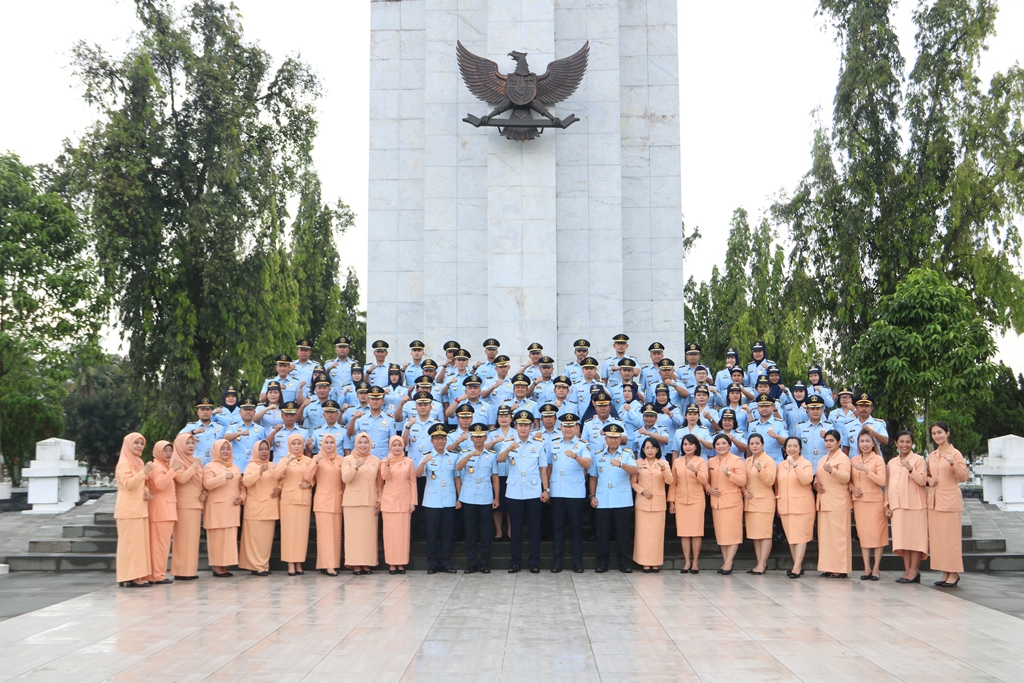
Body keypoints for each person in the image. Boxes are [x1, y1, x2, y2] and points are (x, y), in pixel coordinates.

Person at [497, 410, 550, 573]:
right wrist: (509, 448)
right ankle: (515, 562)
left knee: (534, 528)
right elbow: (499, 459)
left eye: (526, 425)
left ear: (530, 427)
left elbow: (543, 469)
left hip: (534, 491)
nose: (523, 428)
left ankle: (534, 562)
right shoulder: (509, 442)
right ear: (516, 426)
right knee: (516, 529)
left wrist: (546, 489)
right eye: (520, 425)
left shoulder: (538, 444)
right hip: (514, 491)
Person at [588, 423, 638, 573]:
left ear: (620, 438)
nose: (613, 440)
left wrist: (621, 464)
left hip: (622, 499)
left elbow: (635, 470)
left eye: (616, 437)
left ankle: (624, 562)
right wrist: (592, 495)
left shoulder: (627, 454)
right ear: (605, 438)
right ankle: (602, 562)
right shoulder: (598, 455)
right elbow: (593, 477)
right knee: (602, 533)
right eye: (610, 437)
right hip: (603, 499)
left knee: (623, 533)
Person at [927, 421, 969, 587]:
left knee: (951, 539)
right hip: (935, 500)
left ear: (947, 433)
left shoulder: (955, 453)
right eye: (934, 433)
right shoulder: (932, 455)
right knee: (938, 539)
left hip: (950, 500)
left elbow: (963, 477)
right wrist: (929, 479)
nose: (937, 436)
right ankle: (945, 571)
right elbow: (929, 474)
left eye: (940, 432)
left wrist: (953, 463)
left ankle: (954, 572)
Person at [547, 413, 590, 573]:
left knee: (576, 529)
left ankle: (576, 563)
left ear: (576, 428)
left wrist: (576, 456)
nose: (568, 429)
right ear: (561, 427)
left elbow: (588, 463)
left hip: (575, 493)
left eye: (571, 426)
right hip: (557, 491)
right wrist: (548, 489)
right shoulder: (554, 443)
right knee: (557, 528)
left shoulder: (582, 445)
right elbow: (549, 467)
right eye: (565, 426)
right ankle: (557, 562)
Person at [456, 423, 500, 573]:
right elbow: (458, 468)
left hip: (486, 497)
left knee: (486, 532)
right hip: (468, 497)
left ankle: (485, 563)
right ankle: (471, 563)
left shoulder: (491, 455)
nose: (479, 439)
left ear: (486, 437)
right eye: (476, 436)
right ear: (471, 437)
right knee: (470, 531)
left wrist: (497, 497)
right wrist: (469, 455)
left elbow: (495, 477)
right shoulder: (464, 453)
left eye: (481, 436)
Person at [418, 423, 461, 574]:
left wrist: (459, 498)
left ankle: (445, 562)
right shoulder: (426, 456)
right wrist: (423, 462)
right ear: (431, 441)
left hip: (449, 499)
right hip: (432, 501)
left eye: (442, 438)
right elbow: (417, 475)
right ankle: (432, 563)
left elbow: (457, 478)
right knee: (432, 534)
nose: (440, 441)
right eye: (436, 438)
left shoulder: (454, 457)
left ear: (446, 439)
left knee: (447, 533)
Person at [886, 431, 928, 584]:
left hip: (915, 505)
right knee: (903, 540)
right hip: (898, 505)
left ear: (912, 443)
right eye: (901, 441)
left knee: (915, 539)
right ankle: (907, 570)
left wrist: (911, 469)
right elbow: (888, 484)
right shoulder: (891, 462)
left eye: (908, 442)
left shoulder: (918, 460)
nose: (904, 445)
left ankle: (914, 571)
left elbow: (923, 481)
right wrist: (887, 504)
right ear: (896, 443)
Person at [239, 439, 283, 576]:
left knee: (266, 540)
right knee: (255, 540)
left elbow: (281, 479)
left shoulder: (272, 465)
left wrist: (279, 488)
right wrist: (259, 471)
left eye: (266, 449)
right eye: (261, 449)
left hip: (270, 506)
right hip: (255, 507)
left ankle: (263, 565)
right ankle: (256, 566)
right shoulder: (251, 466)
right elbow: (246, 482)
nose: (264, 452)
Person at [115, 432, 153, 587]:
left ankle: (131, 575)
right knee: (130, 545)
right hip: (128, 510)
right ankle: (133, 576)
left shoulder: (138, 462)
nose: (139, 446)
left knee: (138, 545)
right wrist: (144, 472)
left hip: (139, 509)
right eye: (136, 443)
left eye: (141, 443)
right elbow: (128, 484)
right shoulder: (124, 463)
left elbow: (139, 483)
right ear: (128, 444)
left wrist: (146, 489)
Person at [203, 439, 244, 577]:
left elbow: (242, 486)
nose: (225, 451)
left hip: (232, 508)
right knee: (217, 538)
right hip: (217, 508)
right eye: (222, 448)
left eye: (228, 448)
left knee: (228, 539)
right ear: (216, 450)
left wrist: (242, 497)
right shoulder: (210, 466)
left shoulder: (235, 467)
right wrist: (223, 477)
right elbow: (207, 484)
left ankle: (224, 565)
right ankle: (217, 566)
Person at [814, 430, 853, 578]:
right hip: (824, 501)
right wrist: (816, 484)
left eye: (831, 440)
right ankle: (828, 566)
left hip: (838, 502)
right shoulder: (823, 458)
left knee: (839, 537)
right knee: (826, 538)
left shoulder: (843, 459)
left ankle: (840, 568)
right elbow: (818, 477)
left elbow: (845, 478)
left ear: (838, 442)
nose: (828, 443)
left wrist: (833, 471)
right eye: (826, 440)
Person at [342, 432, 382, 575]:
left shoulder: (376, 460)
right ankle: (355, 563)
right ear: (355, 444)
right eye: (360, 442)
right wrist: (355, 466)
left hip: (370, 501)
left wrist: (379, 499)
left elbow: (379, 483)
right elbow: (345, 478)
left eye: (366, 442)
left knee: (368, 535)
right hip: (352, 502)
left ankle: (367, 563)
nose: (363, 445)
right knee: (354, 535)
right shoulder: (347, 459)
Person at [775, 436, 815, 578]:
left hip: (802, 506)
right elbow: (778, 486)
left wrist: (795, 465)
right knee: (792, 537)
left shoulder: (806, 463)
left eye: (795, 446)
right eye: (789, 446)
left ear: (800, 449)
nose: (791, 449)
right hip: (785, 506)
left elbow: (806, 480)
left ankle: (797, 567)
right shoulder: (781, 465)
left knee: (801, 537)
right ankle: (796, 564)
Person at [632, 437, 673, 572]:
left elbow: (669, 481)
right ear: (643, 449)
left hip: (658, 503)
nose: (650, 450)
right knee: (643, 534)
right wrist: (642, 491)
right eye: (647, 447)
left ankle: (655, 562)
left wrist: (664, 470)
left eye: (653, 447)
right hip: (643, 502)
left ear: (657, 449)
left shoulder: (664, 462)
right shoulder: (638, 463)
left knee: (657, 535)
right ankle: (644, 562)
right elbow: (633, 482)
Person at [668, 434, 708, 573]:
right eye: (685, 444)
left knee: (696, 532)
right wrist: (671, 501)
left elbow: (704, 480)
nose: (688, 446)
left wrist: (696, 471)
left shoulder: (701, 461)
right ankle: (686, 562)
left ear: (696, 446)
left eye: (690, 444)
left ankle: (695, 562)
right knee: (684, 532)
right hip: (680, 499)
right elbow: (673, 482)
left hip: (697, 499)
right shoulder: (677, 462)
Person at [707, 433, 746, 574]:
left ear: (729, 445)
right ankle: (726, 561)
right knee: (721, 534)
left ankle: (729, 562)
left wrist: (729, 473)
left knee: (733, 533)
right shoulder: (711, 461)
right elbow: (707, 481)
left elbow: (742, 481)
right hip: (716, 502)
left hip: (732, 502)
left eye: (724, 443)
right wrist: (709, 489)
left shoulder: (737, 460)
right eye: (717, 444)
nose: (721, 446)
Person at [850, 430, 887, 580]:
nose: (864, 444)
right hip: (860, 502)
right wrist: (852, 488)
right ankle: (866, 568)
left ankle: (876, 569)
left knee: (877, 536)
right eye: (862, 441)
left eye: (867, 441)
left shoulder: (878, 460)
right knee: (864, 536)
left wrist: (867, 471)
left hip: (875, 501)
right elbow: (849, 480)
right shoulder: (854, 459)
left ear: (873, 443)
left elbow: (881, 481)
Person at [277, 433, 316, 576]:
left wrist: (310, 484)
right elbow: (276, 475)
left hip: (304, 499)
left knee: (301, 533)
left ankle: (299, 562)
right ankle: (290, 563)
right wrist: (287, 462)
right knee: (289, 533)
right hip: (289, 500)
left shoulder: (308, 460)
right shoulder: (284, 460)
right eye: (293, 443)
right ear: (289, 445)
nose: (296, 446)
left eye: (299, 443)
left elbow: (313, 478)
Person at [380, 434, 418, 574]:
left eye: (399, 445)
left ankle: (401, 563)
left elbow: (412, 482)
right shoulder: (384, 461)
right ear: (390, 447)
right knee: (390, 534)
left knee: (403, 534)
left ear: (403, 446)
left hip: (404, 501)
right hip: (389, 502)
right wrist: (388, 463)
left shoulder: (408, 461)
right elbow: (384, 477)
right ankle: (391, 563)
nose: (397, 448)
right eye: (394, 445)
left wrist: (413, 502)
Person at [170, 433, 204, 581]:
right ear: (179, 445)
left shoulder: (192, 459)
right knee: (183, 539)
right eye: (187, 443)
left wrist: (204, 492)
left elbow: (200, 481)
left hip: (195, 503)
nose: (191, 446)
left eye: (192, 443)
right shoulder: (176, 461)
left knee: (192, 539)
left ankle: (189, 570)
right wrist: (194, 466)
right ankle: (180, 570)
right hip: (184, 504)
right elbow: (182, 479)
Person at [742, 433, 776, 575]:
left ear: (762, 445)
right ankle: (759, 562)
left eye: (757, 443)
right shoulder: (747, 460)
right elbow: (743, 479)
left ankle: (763, 563)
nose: (754, 446)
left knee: (765, 534)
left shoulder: (768, 461)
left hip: (764, 501)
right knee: (755, 534)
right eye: (752, 443)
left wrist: (760, 469)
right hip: (750, 502)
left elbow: (770, 481)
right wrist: (744, 490)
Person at [146, 440, 178, 584]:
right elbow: (160, 485)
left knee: (162, 545)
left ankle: (158, 573)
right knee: (160, 545)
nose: (168, 454)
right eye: (165, 451)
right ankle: (157, 575)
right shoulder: (158, 467)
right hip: (161, 511)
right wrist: (173, 471)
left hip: (165, 510)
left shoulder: (163, 466)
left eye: (170, 451)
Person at [312, 433, 344, 576]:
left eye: (332, 442)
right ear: (322, 444)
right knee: (324, 534)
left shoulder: (341, 460)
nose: (329, 445)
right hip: (323, 501)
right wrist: (315, 462)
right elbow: (307, 477)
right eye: (326, 442)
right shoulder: (316, 458)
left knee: (336, 535)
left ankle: (334, 563)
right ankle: (327, 564)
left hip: (337, 500)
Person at [347, 386, 398, 458]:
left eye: (378, 399)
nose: (375, 401)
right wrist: (353, 419)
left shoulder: (390, 420)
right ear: (368, 400)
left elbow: (393, 442)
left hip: (383, 459)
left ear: (383, 401)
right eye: (372, 399)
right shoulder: (360, 419)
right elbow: (349, 433)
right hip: (364, 458)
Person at [180, 397, 226, 465]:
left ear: (211, 411)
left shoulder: (220, 427)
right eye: (202, 409)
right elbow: (179, 437)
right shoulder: (191, 426)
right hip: (195, 464)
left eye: (208, 409)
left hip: (214, 464)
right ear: (198, 412)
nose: (205, 412)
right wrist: (193, 432)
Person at [227, 397, 268, 469]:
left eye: (250, 410)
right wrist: (238, 433)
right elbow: (225, 438)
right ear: (240, 412)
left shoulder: (260, 429)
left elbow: (263, 448)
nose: (248, 412)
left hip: (254, 466)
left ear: (254, 412)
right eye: (245, 409)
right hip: (237, 466)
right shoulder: (233, 427)